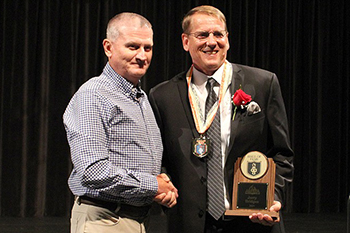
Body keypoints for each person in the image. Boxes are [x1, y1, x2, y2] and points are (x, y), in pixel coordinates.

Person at [149, 5, 294, 233]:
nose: (212, 41)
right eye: (202, 35)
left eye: (218, 34)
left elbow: (282, 154)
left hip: (252, 223)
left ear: (227, 39)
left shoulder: (263, 84)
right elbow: (159, 159)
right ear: (186, 42)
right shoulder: (162, 96)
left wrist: (272, 197)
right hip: (191, 224)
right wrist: (162, 185)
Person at [63, 12, 178, 233]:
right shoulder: (93, 94)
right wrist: (153, 185)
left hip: (136, 220)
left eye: (148, 48)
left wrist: (161, 185)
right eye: (133, 47)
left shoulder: (140, 98)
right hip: (105, 220)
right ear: (108, 48)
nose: (142, 56)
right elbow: (93, 171)